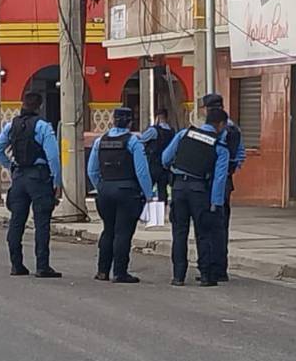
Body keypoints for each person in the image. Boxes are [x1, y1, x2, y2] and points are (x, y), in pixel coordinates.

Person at [0, 91, 63, 278]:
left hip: (19, 177)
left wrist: (11, 166)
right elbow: (53, 157)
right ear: (39, 107)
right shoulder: (43, 127)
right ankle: (42, 266)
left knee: (16, 222)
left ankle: (16, 264)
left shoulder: (11, 126)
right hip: (39, 178)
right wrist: (57, 181)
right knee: (41, 223)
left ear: (23, 104)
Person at [161, 107, 230, 287]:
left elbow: (165, 158)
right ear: (221, 125)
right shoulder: (220, 147)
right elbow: (219, 179)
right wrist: (216, 204)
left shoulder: (184, 134)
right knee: (204, 234)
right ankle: (206, 276)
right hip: (200, 191)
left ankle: (178, 276)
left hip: (178, 189)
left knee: (179, 233)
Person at [87, 107, 154, 283]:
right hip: (127, 192)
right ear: (130, 122)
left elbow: (92, 170)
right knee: (123, 233)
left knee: (108, 230)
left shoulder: (100, 141)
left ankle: (102, 271)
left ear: (113, 121)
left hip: (105, 191)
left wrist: (101, 186)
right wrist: (148, 194)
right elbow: (142, 171)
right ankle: (120, 272)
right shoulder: (133, 142)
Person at [201, 92, 245, 282]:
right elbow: (240, 155)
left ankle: (212, 267)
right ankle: (219, 267)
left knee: (209, 225)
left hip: (209, 180)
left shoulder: (216, 129)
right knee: (221, 226)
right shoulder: (235, 129)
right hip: (226, 179)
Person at [139, 107, 176, 204]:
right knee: (162, 190)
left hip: (154, 164)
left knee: (148, 187)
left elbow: (142, 139)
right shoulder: (172, 131)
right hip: (166, 166)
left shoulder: (154, 131)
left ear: (157, 118)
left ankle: (145, 209)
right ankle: (162, 213)